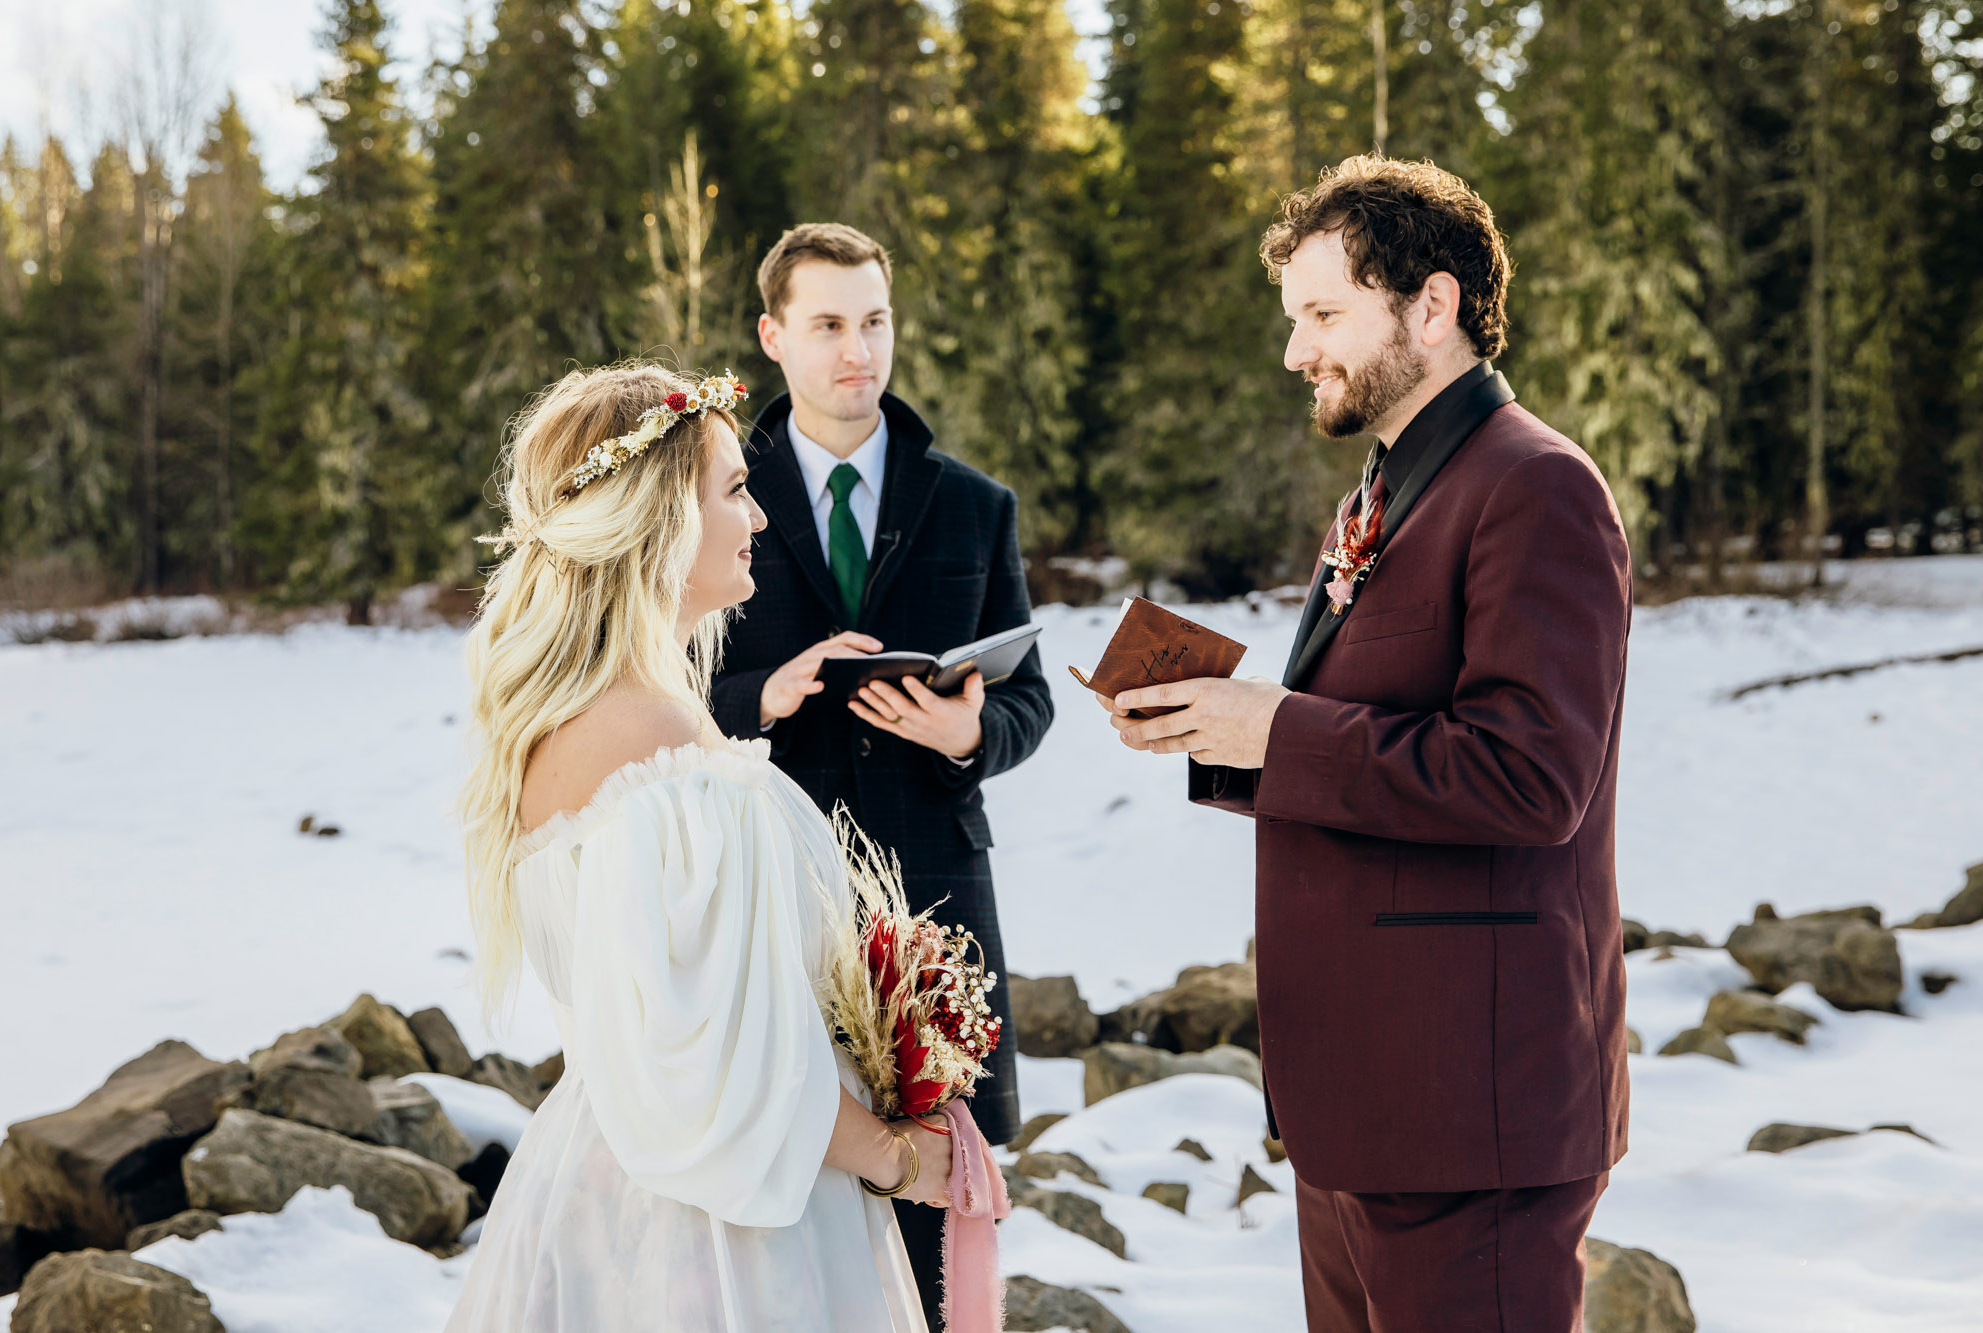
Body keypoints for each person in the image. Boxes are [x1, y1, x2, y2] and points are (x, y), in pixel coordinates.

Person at [1098, 156, 1633, 1332]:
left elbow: (1529, 777)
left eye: (1324, 316)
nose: (1296, 352)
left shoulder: (1535, 488)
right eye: (1294, 321)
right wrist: (1220, 732)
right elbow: (1376, 741)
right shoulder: (1389, 489)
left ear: (1429, 308)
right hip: (1358, 1110)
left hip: (1468, 1115)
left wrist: (1279, 729)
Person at [445, 361, 941, 1332]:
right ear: (659, 516)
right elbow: (725, 1063)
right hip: (710, 1239)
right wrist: (903, 1156)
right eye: (734, 489)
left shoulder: (596, 723)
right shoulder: (657, 751)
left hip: (611, 1193)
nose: (758, 518)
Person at [709, 223, 1054, 1329]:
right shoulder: (714, 494)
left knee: (931, 1216)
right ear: (774, 336)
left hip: (936, 911)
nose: (857, 350)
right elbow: (661, 684)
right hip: (775, 901)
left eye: (874, 321)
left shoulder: (973, 505)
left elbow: (1027, 699)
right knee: (785, 1190)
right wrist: (765, 692)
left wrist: (966, 732)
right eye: (827, 325)